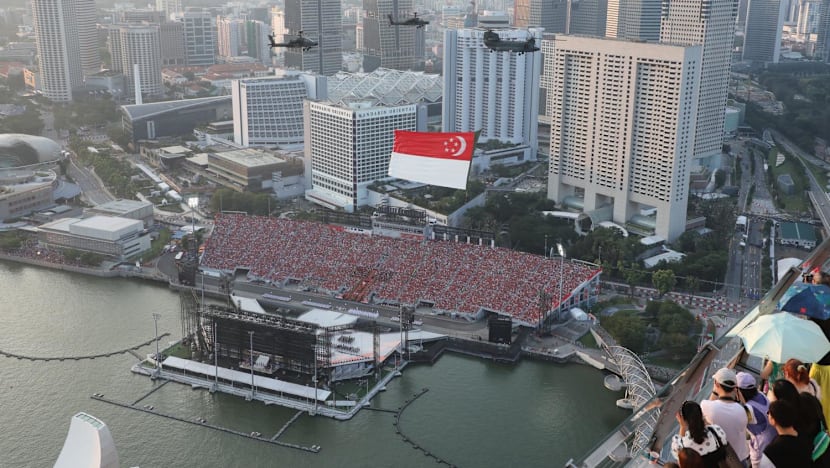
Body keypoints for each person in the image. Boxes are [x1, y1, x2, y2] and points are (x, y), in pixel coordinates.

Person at [701, 368, 751, 466]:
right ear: (735, 388)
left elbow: (705, 410)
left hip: (720, 462)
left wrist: (715, 392)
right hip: (740, 461)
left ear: (716, 384)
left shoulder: (707, 406)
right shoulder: (743, 410)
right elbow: (749, 420)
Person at [671, 400, 729, 467]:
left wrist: (682, 426)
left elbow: (679, 455)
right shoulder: (716, 432)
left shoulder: (682, 444)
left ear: (683, 419)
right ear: (701, 414)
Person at [737, 372, 777, 467]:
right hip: (773, 438)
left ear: (739, 391)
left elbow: (737, 422)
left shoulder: (749, 410)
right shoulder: (761, 395)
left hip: (761, 448)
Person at [762, 400, 813, 467]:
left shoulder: (772, 450)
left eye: (769, 413)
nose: (768, 415)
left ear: (773, 421)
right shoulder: (804, 435)